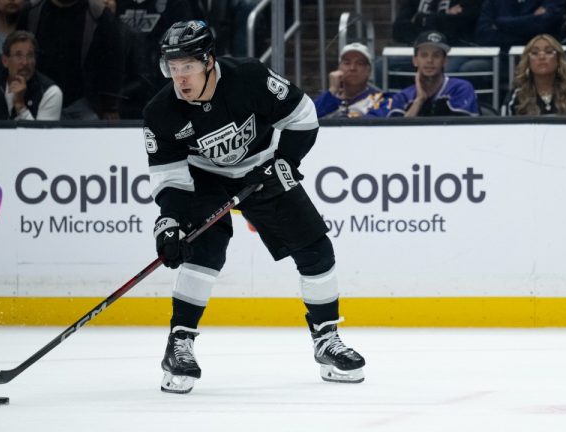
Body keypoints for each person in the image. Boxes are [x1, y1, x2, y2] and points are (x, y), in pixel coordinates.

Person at [143, 20, 365, 394]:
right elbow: (169, 176)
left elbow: (303, 115)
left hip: (262, 168)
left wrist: (285, 161)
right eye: (173, 67)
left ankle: (327, 339)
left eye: (188, 66)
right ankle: (179, 343)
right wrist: (170, 221)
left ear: (208, 61)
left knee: (315, 248)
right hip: (204, 179)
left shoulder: (248, 77)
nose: (180, 77)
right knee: (203, 252)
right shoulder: (161, 111)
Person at [24, 0, 124, 120]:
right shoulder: (31, 11)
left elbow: (113, 65)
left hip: (85, 105)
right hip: (38, 100)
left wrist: (110, 108)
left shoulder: (99, 14)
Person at [369, 31, 479, 117]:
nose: (430, 60)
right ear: (415, 61)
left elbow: (459, 129)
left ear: (445, 61)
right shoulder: (404, 96)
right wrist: (419, 100)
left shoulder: (461, 88)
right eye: (424, 55)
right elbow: (399, 133)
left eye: (436, 55)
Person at [0, 30, 62, 119]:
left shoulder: (50, 92)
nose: (25, 62)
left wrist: (20, 106)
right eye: (18, 56)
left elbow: (41, 131)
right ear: (5, 61)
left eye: (30, 55)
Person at [502, 33, 566, 115]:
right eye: (535, 53)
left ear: (559, 60)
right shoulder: (516, 96)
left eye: (549, 52)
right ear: (528, 62)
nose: (542, 57)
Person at [313, 42, 384, 119]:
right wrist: (332, 91)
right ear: (339, 68)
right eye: (347, 63)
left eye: (359, 63)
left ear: (368, 71)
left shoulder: (381, 100)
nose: (352, 68)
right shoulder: (327, 98)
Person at [475, 0, 566, 49]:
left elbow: (543, 25)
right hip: (500, 55)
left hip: (541, 55)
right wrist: (529, 23)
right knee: (469, 66)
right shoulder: (494, 2)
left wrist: (499, 23)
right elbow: (483, 35)